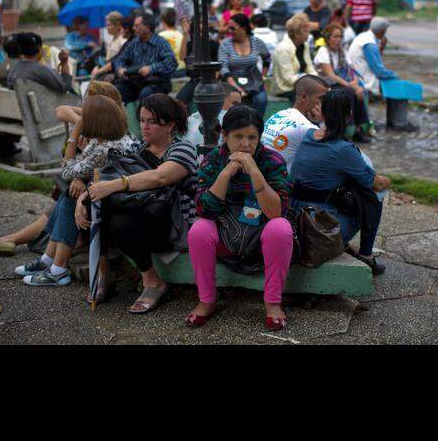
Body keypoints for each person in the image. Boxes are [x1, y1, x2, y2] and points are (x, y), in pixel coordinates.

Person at [78, 94, 199, 310]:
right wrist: (85, 197)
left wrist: (116, 185)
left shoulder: (183, 149)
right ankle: (103, 272)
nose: (144, 127)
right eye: (142, 120)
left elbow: (159, 177)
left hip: (170, 223)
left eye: (151, 122)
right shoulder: (138, 148)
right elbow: (108, 175)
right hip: (141, 213)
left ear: (170, 125)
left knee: (121, 222)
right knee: (93, 206)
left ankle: (153, 281)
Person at [187, 105, 293, 331]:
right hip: (226, 232)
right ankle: (206, 300)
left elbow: (277, 212)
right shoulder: (213, 161)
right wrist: (226, 173)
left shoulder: (272, 160)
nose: (246, 144)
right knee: (199, 229)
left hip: (260, 236)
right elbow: (204, 210)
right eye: (238, 137)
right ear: (224, 136)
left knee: (281, 228)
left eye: (252, 137)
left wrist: (255, 172)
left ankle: (273, 303)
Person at [15, 95, 135, 287]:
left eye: (86, 117)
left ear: (95, 121)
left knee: (71, 196)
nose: (82, 120)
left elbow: (67, 170)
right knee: (70, 192)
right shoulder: (106, 139)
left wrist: (74, 134)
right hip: (110, 191)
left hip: (118, 200)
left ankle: (58, 269)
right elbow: (76, 168)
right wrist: (77, 177)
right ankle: (50, 261)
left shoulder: (105, 148)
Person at [290, 87, 390, 276]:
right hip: (318, 232)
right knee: (374, 193)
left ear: (322, 112)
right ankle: (366, 255)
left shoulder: (308, 136)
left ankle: (347, 244)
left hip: (295, 220)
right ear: (349, 115)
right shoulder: (343, 150)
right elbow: (376, 183)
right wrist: (388, 180)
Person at [348, 17, 417, 132]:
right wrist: (395, 76)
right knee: (399, 87)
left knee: (394, 84)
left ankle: (393, 121)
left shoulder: (363, 37)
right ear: (382, 31)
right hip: (365, 80)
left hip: (360, 75)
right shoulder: (369, 43)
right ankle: (398, 123)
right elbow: (379, 71)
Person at [316, 24, 372, 142]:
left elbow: (352, 70)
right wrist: (351, 86)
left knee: (360, 92)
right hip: (326, 84)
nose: (338, 40)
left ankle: (359, 128)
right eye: (335, 37)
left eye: (340, 37)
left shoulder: (343, 51)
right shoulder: (323, 51)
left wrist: (357, 85)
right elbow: (331, 75)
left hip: (342, 84)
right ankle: (346, 130)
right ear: (328, 38)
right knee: (349, 93)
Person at [261, 74, 326, 171]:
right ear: (304, 97)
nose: (325, 103)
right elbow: (330, 157)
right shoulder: (307, 128)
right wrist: (323, 122)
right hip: (282, 183)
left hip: (264, 177)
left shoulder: (279, 114)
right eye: (322, 98)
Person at [112, 13, 177, 104]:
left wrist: (151, 68)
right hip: (136, 82)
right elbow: (120, 59)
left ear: (147, 27)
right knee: (115, 91)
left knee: (146, 94)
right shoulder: (134, 43)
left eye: (137, 25)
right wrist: (120, 68)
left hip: (157, 83)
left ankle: (146, 118)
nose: (133, 28)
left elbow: (172, 62)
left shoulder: (161, 42)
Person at [218, 13, 272, 117]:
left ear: (243, 28)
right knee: (235, 105)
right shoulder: (225, 44)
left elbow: (267, 59)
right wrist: (237, 88)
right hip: (231, 80)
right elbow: (223, 67)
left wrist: (263, 77)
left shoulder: (257, 42)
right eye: (228, 28)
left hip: (253, 78)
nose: (229, 31)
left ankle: (257, 127)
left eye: (232, 28)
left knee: (261, 100)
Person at [268, 12, 318, 104]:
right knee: (311, 97)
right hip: (285, 88)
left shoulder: (304, 45)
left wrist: (317, 81)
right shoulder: (283, 49)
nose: (309, 34)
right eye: (306, 31)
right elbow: (288, 77)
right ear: (297, 34)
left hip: (301, 84)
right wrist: (310, 84)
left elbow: (310, 68)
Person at [173, 16, 220, 107]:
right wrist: (185, 34)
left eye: (203, 22)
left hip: (211, 81)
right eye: (200, 23)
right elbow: (182, 57)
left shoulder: (214, 45)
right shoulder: (191, 44)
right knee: (178, 102)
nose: (202, 25)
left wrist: (212, 81)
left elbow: (219, 68)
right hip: (195, 81)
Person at [6, 32, 74, 93]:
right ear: (39, 47)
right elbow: (65, 86)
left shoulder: (14, 70)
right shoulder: (41, 69)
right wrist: (64, 63)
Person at [185, 82, 242, 147]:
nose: (238, 108)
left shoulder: (189, 120)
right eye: (235, 103)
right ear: (220, 100)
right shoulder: (231, 120)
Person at [90, 11, 127, 81]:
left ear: (118, 26)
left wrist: (98, 71)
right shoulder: (112, 40)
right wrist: (97, 67)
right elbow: (107, 60)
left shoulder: (122, 42)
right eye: (106, 25)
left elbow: (115, 62)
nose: (107, 28)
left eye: (109, 25)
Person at [157, 8, 185, 75]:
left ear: (163, 21)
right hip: (181, 70)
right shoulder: (181, 35)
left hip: (166, 72)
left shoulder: (159, 36)